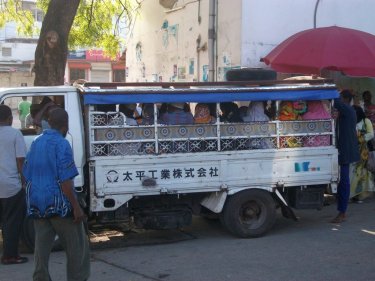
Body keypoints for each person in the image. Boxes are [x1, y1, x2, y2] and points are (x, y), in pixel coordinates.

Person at [23, 108, 90, 281]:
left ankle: (40, 278)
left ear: (49, 123)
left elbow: (26, 173)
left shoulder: (36, 142)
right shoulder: (62, 144)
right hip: (61, 205)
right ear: (65, 125)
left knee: (41, 249)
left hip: (38, 204)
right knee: (77, 249)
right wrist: (76, 207)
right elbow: (65, 181)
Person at [0, 105, 28, 265]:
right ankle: (10, 256)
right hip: (11, 186)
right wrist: (24, 182)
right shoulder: (15, 134)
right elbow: (20, 161)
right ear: (10, 119)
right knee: (12, 223)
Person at [331, 90, 360, 223]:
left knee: (344, 181)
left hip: (346, 151)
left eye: (341, 97)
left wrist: (329, 90)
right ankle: (341, 209)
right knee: (342, 180)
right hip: (345, 150)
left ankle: (342, 212)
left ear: (345, 99)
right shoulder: (347, 111)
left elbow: (335, 101)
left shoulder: (348, 109)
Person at [350, 105, 374, 202]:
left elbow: (371, 134)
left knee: (361, 173)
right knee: (352, 173)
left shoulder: (366, 121)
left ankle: (359, 195)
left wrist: (360, 139)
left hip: (363, 152)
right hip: (352, 150)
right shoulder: (350, 121)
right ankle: (352, 195)